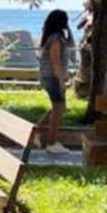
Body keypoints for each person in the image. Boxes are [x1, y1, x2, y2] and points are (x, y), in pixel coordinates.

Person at [37, 9, 75, 147]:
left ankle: (34, 133)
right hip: (52, 77)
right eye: (66, 20)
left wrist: (69, 29)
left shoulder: (58, 37)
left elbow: (71, 45)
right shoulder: (55, 39)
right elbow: (56, 61)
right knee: (58, 108)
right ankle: (51, 143)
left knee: (59, 107)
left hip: (52, 77)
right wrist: (61, 81)